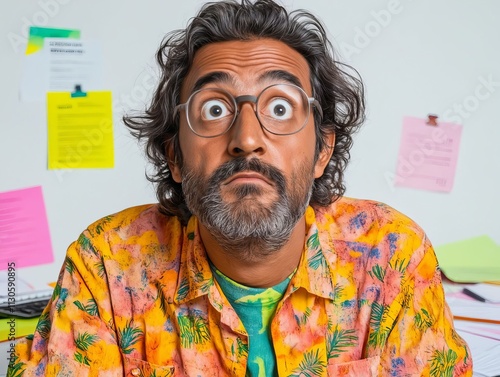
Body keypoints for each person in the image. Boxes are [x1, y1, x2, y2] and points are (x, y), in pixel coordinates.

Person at [10, 0, 472, 376]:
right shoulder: (106, 268)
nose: (247, 138)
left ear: (322, 151)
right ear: (174, 153)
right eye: (214, 109)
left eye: (280, 107)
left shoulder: (391, 257)